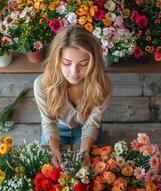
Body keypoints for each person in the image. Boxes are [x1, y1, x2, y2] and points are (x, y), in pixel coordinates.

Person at [33, 24, 112, 168]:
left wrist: (84, 151)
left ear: (93, 62)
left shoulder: (102, 86)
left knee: (89, 168)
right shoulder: (42, 85)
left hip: (85, 128)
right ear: (57, 61)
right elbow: (49, 122)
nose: (74, 72)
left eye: (83, 64)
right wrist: (55, 150)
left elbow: (92, 124)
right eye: (66, 63)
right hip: (56, 128)